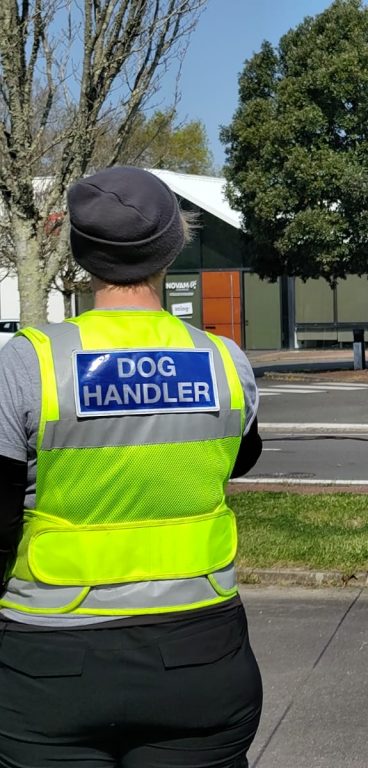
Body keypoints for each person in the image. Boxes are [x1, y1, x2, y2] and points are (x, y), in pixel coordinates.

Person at [0, 166, 264, 767]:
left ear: (81, 254)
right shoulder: (224, 361)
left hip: (51, 667)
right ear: (172, 248)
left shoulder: (28, 363)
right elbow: (241, 458)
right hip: (201, 657)